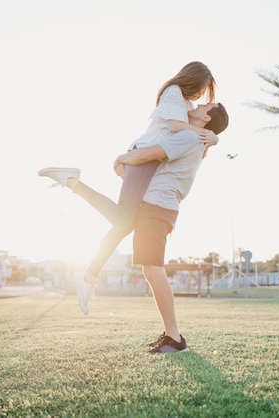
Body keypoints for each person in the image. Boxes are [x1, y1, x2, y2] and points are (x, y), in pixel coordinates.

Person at [39, 62, 219, 310]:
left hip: (150, 162)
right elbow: (177, 128)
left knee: (124, 223)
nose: (200, 98)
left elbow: (195, 134)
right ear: (191, 80)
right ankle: (72, 183)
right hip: (144, 157)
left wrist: (212, 136)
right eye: (201, 91)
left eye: (204, 99)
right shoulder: (174, 93)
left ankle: (87, 273)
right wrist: (209, 136)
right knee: (123, 221)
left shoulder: (187, 105)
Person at [113, 102, 229, 353]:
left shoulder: (189, 136)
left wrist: (121, 158)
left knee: (153, 270)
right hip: (157, 206)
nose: (199, 104)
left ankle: (175, 339)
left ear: (206, 118)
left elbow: (147, 154)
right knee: (150, 269)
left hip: (156, 207)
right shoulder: (193, 137)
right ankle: (170, 334)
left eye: (205, 105)